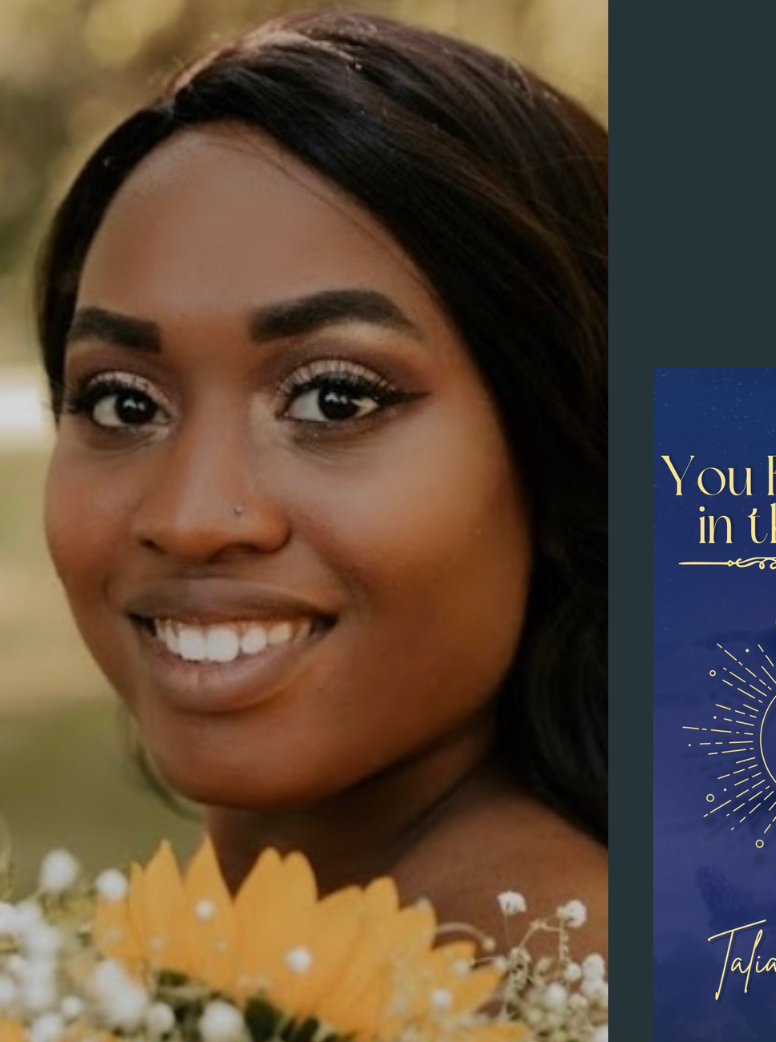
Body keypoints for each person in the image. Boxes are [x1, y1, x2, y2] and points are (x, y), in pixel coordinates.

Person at [34, 10, 607, 955]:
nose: (191, 518)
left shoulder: (535, 1004)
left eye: (335, 399)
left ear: (562, 456)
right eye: (124, 404)